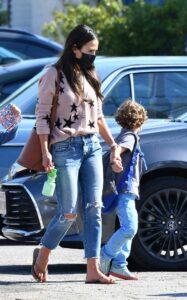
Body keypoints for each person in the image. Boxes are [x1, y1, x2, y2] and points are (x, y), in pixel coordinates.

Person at [32, 24, 122, 284]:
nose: (94, 55)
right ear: (74, 48)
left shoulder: (91, 73)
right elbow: (41, 116)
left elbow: (100, 117)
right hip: (64, 148)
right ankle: (44, 253)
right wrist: (45, 151)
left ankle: (92, 270)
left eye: (96, 50)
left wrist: (113, 145)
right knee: (68, 211)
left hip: (92, 146)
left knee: (94, 208)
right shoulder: (54, 74)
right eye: (90, 50)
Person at [100, 100, 148, 280]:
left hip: (127, 191)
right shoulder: (130, 137)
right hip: (125, 191)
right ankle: (105, 255)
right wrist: (116, 158)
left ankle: (120, 265)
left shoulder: (123, 134)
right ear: (140, 120)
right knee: (129, 228)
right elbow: (118, 150)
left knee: (127, 227)